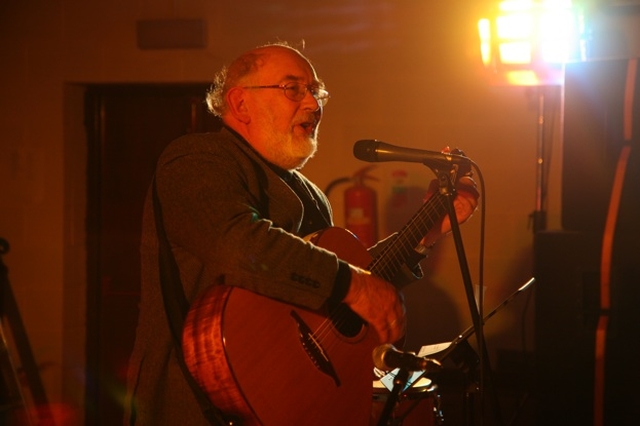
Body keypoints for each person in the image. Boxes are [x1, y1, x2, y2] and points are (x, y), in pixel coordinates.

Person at [124, 41, 478, 425]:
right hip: (194, 407)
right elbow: (239, 243)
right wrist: (354, 285)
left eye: (315, 91)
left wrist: (426, 229)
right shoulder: (198, 158)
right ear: (241, 104)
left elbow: (337, 292)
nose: (312, 104)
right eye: (293, 89)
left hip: (289, 404)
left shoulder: (310, 195)